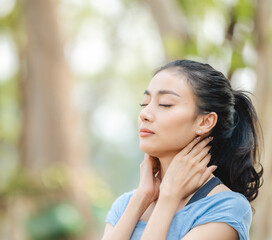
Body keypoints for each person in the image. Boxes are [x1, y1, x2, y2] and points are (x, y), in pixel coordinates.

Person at [102, 59, 263, 240]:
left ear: (205, 121)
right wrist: (141, 198)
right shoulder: (125, 204)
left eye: (165, 104)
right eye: (145, 103)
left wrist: (169, 197)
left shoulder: (224, 208)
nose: (144, 114)